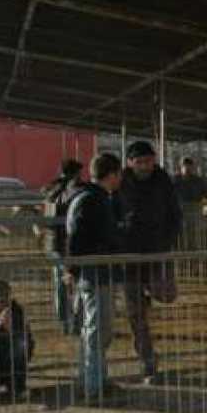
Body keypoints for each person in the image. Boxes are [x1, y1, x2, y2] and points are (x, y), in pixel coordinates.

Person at [117, 141, 182, 384]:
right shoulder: (121, 182)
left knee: (168, 294)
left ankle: (149, 293)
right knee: (136, 314)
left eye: (149, 160)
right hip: (130, 258)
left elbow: (175, 213)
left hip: (158, 252)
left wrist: (168, 240)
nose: (145, 166)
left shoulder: (162, 180)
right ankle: (148, 361)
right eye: (140, 161)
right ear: (130, 162)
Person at [64, 153, 125, 399]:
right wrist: (73, 269)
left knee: (97, 330)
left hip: (97, 272)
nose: (120, 179)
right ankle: (94, 387)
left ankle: (96, 380)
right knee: (97, 330)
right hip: (95, 273)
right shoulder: (91, 200)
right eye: (119, 174)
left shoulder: (95, 198)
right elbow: (77, 238)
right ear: (111, 175)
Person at [41, 159, 84, 334]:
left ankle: (65, 321)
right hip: (68, 243)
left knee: (61, 283)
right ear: (75, 173)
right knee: (77, 282)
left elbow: (47, 219)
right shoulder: (73, 190)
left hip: (53, 244)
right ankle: (75, 322)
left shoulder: (51, 190)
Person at [0, 278, 35, 402]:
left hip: (6, 360)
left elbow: (28, 341)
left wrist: (12, 329)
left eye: (3, 300)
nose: (0, 304)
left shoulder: (14, 309)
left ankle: (17, 388)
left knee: (21, 342)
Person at [172, 157, 207, 250]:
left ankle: (192, 252)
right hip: (179, 212)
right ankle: (179, 252)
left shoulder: (198, 181)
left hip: (194, 212)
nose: (187, 169)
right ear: (180, 167)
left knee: (192, 234)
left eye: (189, 166)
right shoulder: (174, 180)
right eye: (185, 166)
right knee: (179, 234)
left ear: (192, 167)